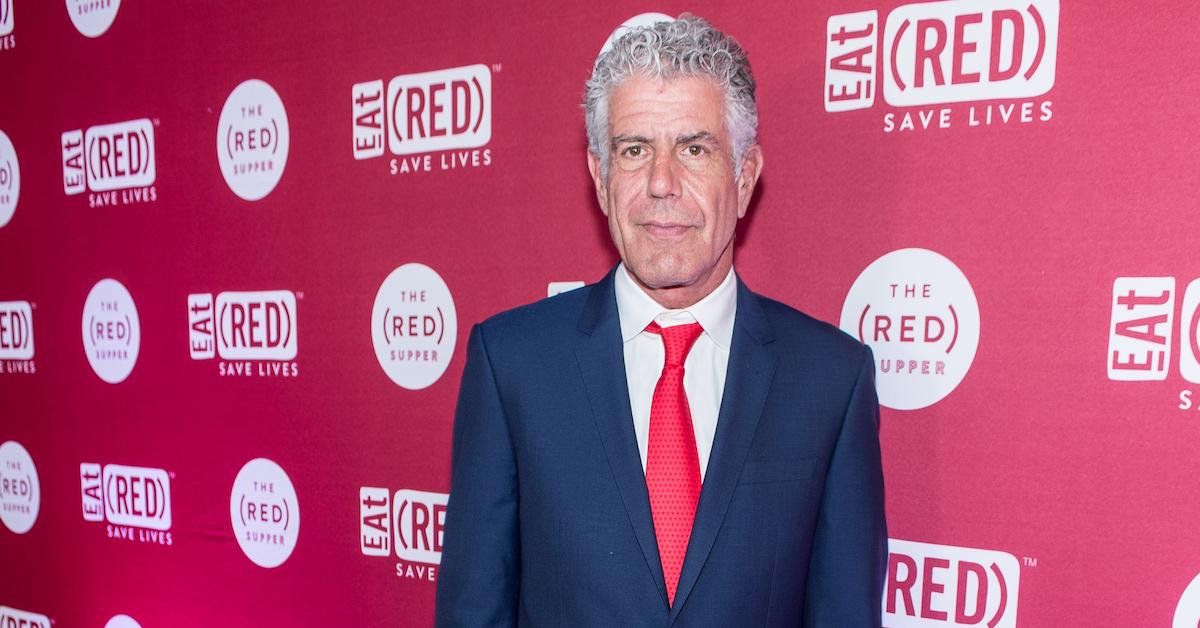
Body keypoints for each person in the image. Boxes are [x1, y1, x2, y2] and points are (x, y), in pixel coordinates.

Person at [435, 13, 886, 627]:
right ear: (600, 178)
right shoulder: (511, 364)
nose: (660, 183)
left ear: (745, 176)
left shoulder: (831, 379)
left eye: (694, 149)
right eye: (634, 150)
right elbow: (473, 611)